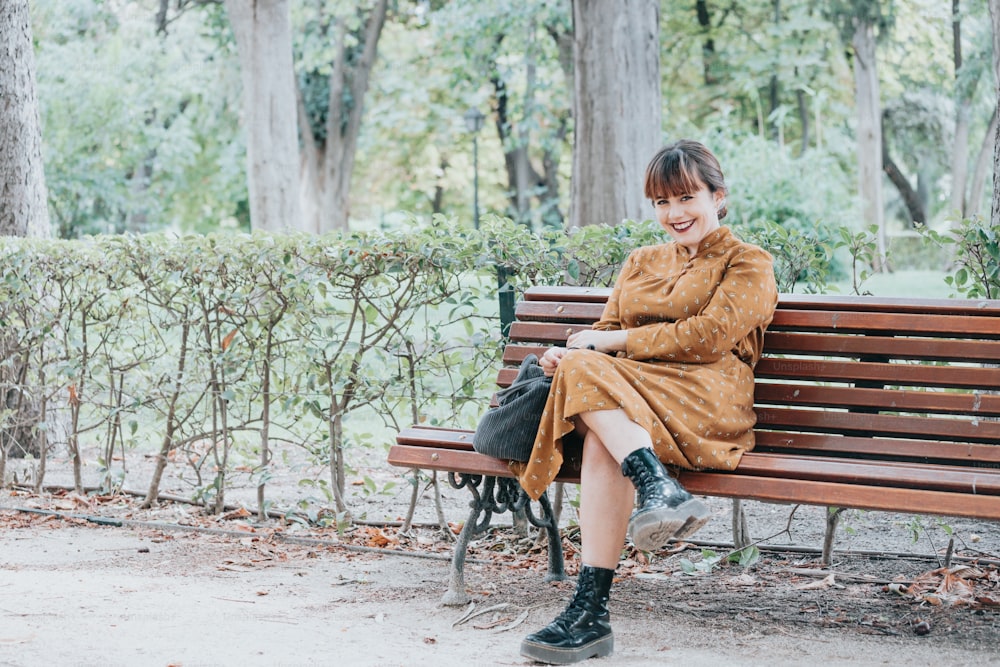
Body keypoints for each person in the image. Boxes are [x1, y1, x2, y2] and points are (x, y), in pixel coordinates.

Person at [517, 140, 778, 665]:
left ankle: (653, 493)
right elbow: (606, 331)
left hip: (710, 400)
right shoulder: (641, 261)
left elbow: (708, 337)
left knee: (594, 392)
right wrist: (568, 356)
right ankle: (597, 598)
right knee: (598, 438)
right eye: (661, 202)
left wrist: (602, 348)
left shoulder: (749, 262)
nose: (674, 214)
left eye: (686, 197)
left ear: (718, 196)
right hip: (633, 403)